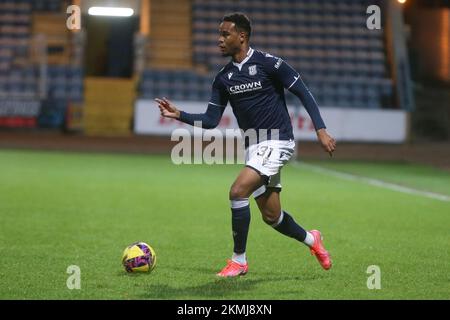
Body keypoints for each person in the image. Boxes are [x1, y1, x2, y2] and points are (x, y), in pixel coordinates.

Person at [155, 12, 336, 277]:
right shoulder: (223, 78)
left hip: (278, 141)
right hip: (254, 148)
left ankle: (238, 260)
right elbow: (210, 120)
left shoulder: (269, 64)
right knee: (272, 216)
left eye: (225, 34)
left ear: (242, 36)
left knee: (237, 191)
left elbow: (303, 92)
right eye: (219, 34)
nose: (219, 39)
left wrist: (321, 129)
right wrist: (179, 114)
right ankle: (312, 240)